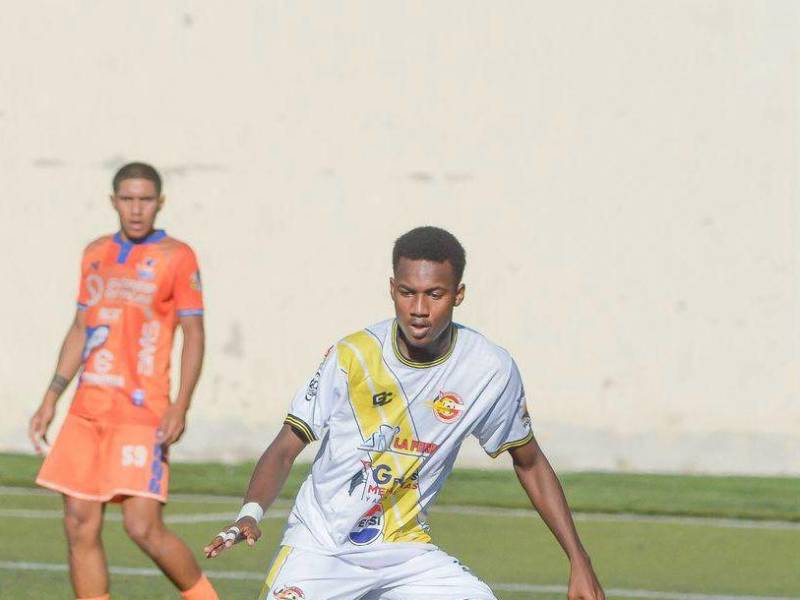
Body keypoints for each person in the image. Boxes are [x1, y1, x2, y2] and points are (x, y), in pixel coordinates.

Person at [204, 226, 605, 600]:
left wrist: (579, 559)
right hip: (321, 546)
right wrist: (249, 514)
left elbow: (529, 462)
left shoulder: (489, 369)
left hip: (405, 552)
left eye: (435, 294)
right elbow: (285, 447)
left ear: (459, 295)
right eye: (407, 293)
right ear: (392, 289)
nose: (419, 309)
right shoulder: (353, 355)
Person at [29, 162, 219, 600]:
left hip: (141, 412)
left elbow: (193, 334)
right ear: (113, 201)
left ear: (160, 202)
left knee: (142, 526)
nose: (136, 209)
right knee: (79, 522)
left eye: (145, 200)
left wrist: (181, 405)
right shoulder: (95, 253)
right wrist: (52, 396)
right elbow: (82, 327)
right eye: (128, 199)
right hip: (86, 411)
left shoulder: (177, 256)